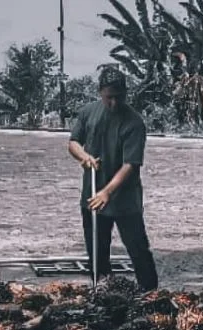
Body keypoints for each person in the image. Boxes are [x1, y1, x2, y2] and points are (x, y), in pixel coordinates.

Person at [67, 67, 159, 290]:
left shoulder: (134, 122)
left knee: (138, 249)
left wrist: (108, 192)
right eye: (109, 98)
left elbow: (131, 165)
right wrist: (84, 156)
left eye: (119, 97)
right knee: (97, 252)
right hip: (92, 196)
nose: (114, 103)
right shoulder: (88, 112)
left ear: (126, 94)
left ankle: (150, 294)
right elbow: (73, 142)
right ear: (100, 92)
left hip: (125, 200)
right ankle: (102, 293)